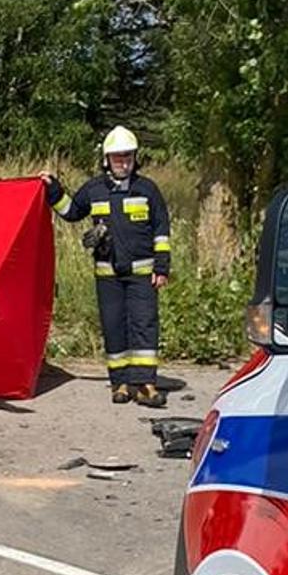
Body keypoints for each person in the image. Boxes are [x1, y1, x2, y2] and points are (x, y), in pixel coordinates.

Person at [41, 127, 172, 408]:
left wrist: (161, 268)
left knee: (144, 326)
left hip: (142, 276)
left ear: (135, 158)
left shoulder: (147, 189)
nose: (122, 162)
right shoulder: (94, 189)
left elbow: (161, 229)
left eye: (127, 157)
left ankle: (146, 384)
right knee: (114, 328)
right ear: (106, 160)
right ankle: (121, 384)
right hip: (108, 276)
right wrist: (53, 191)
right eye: (117, 158)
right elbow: (72, 212)